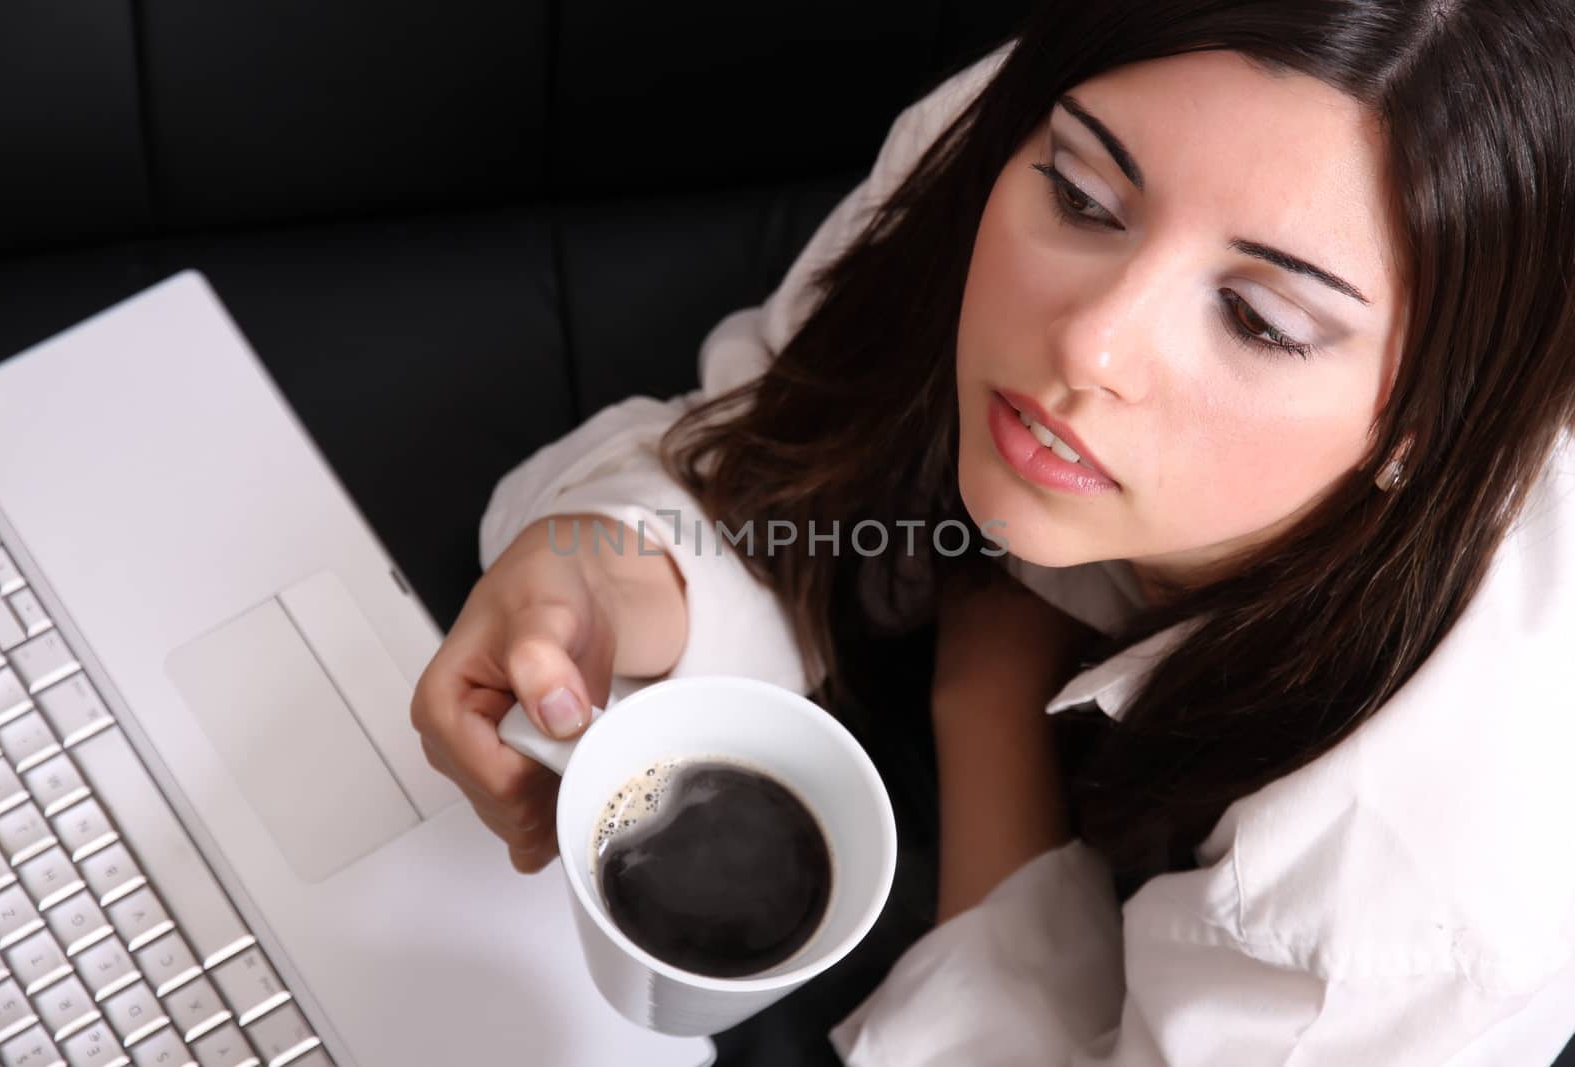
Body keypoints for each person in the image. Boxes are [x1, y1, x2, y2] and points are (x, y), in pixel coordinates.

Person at [411, 2, 1575, 1063]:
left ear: (1428, 424)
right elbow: (788, 428)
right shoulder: (1065, 122)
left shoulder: (1414, 890)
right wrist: (617, 570)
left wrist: (989, 695)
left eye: (1259, 321)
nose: (1089, 345)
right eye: (1080, 200)